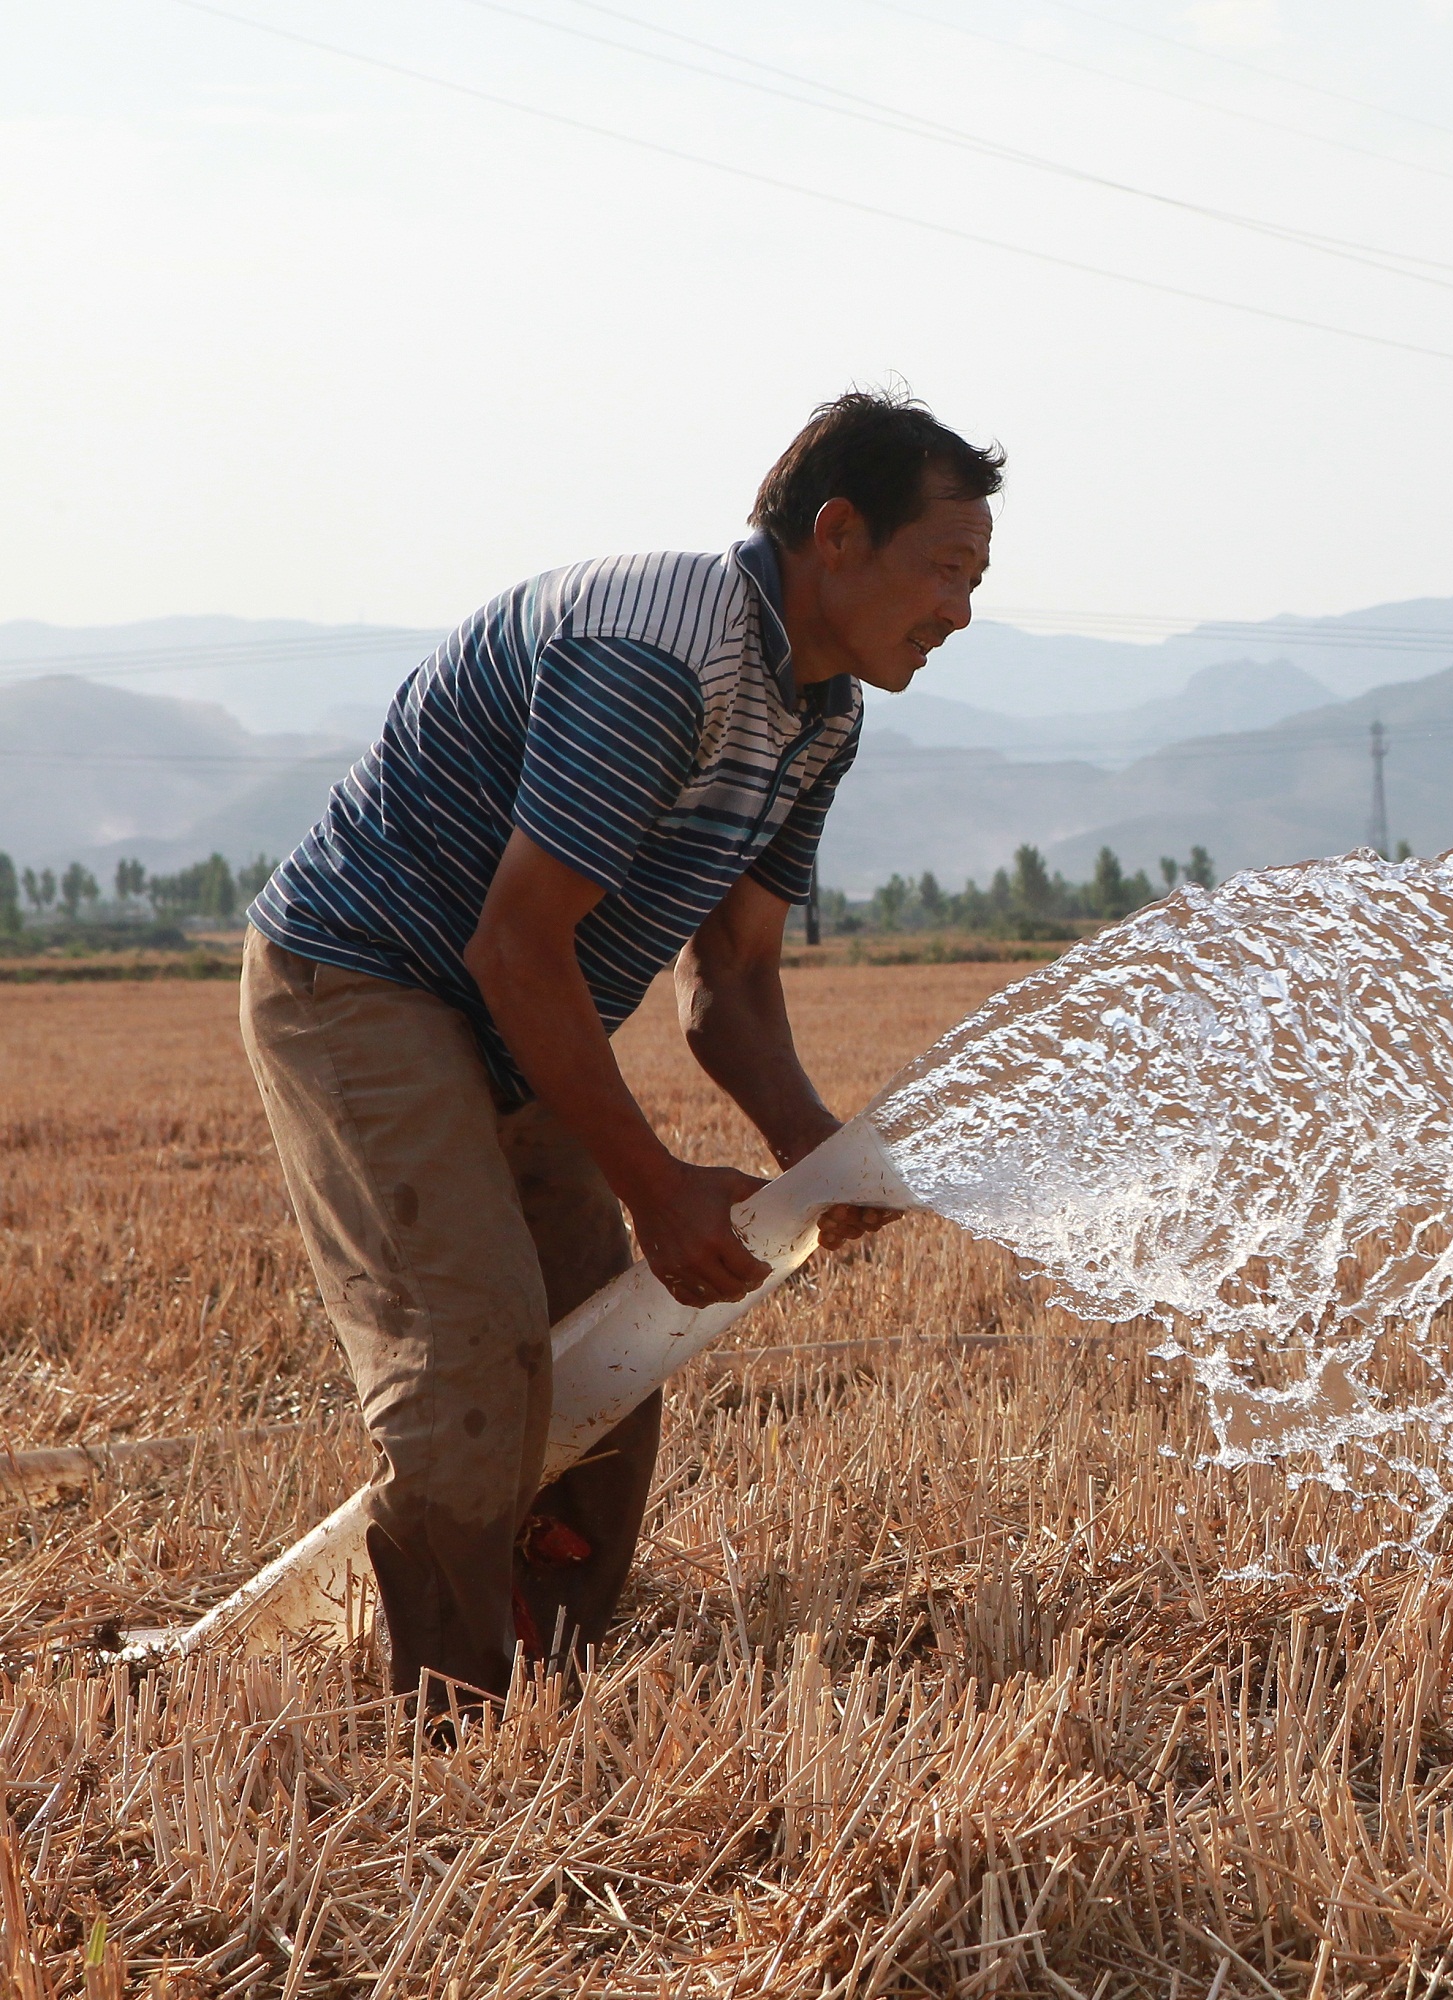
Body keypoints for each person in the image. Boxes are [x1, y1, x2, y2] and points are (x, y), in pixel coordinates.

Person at [240, 390, 1002, 1708]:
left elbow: (733, 981)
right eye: (945, 571)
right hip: (368, 986)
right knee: (473, 1370)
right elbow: (515, 950)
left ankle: (549, 1692)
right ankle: (454, 1746)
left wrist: (814, 1153)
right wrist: (655, 1189)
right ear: (836, 534)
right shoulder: (661, 652)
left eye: (976, 581)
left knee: (607, 1360)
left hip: (521, 1022)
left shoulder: (820, 714)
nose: (961, 613)